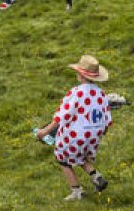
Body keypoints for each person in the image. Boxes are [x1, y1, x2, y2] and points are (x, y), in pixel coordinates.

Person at [36, 55, 112, 201]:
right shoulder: (101, 93)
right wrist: (101, 133)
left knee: (62, 157)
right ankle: (96, 177)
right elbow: (107, 117)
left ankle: (76, 191)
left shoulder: (77, 92)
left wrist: (45, 131)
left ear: (80, 75)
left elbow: (63, 115)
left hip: (76, 134)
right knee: (80, 154)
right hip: (95, 133)